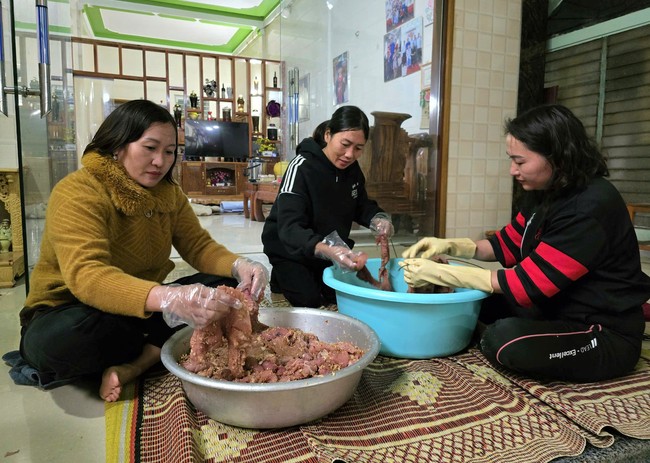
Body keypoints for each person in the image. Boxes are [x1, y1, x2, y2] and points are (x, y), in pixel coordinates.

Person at [11, 99, 268, 402]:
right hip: (71, 312)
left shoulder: (168, 193)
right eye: (150, 148)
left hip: (143, 307)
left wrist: (240, 266)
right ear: (117, 145)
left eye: (170, 152)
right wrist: (170, 298)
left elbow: (197, 245)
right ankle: (158, 344)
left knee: (219, 290)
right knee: (71, 340)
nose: (161, 161)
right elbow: (88, 276)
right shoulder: (78, 191)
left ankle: (137, 363)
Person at [400, 104, 650, 383]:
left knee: (503, 340)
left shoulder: (590, 207)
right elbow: (504, 246)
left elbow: (525, 285)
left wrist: (442, 273)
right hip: (553, 308)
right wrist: (448, 245)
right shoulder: (543, 192)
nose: (512, 170)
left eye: (520, 162)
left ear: (558, 158)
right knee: (472, 304)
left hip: (602, 330)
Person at [262, 105, 393, 308]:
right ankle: (281, 274)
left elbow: (361, 204)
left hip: (328, 248)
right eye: (345, 144)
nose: (350, 154)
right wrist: (328, 250)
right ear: (328, 135)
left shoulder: (352, 170)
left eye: (358, 148)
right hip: (290, 248)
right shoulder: (301, 167)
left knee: (338, 297)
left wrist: (378, 219)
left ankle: (302, 275)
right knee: (310, 301)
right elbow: (289, 228)